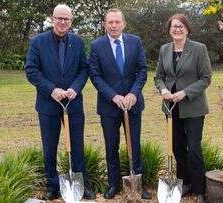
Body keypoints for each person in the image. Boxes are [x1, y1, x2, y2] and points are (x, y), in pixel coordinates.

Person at [25, 4, 95, 201]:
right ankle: (53, 186)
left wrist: (75, 87)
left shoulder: (78, 42)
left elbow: (84, 69)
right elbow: (31, 70)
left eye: (67, 19)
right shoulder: (38, 42)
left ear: (71, 21)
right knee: (50, 147)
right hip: (48, 105)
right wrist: (51, 89)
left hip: (73, 104)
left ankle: (80, 185)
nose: (63, 22)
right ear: (52, 19)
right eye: (59, 18)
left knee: (77, 146)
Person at [88, 8, 150, 200]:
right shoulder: (97, 46)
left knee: (135, 145)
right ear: (105, 24)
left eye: (117, 22)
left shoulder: (135, 42)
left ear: (124, 24)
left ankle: (137, 185)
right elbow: (95, 75)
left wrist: (133, 93)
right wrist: (113, 96)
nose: (113, 25)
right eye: (110, 22)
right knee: (111, 146)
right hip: (109, 106)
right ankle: (113, 184)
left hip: (133, 104)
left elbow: (142, 70)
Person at [154, 13, 212, 203]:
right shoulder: (164, 49)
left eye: (180, 26)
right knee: (177, 148)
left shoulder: (199, 49)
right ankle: (185, 183)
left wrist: (186, 92)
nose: (177, 29)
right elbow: (159, 76)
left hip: (193, 107)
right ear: (169, 29)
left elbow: (206, 78)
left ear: (187, 29)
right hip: (171, 108)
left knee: (194, 148)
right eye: (174, 26)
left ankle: (200, 189)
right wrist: (163, 90)